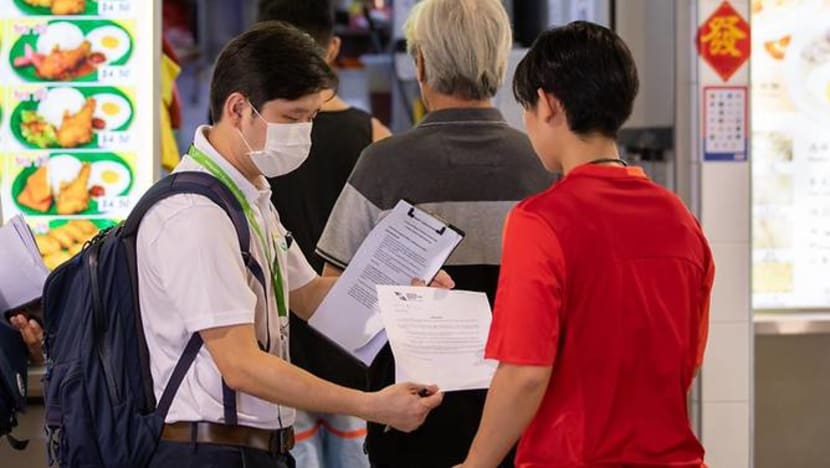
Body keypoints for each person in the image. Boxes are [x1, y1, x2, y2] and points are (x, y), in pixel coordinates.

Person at [137, 22, 447, 468]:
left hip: (253, 447)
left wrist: (403, 293)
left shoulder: (252, 197)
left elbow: (309, 297)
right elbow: (240, 364)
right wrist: (369, 405)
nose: (304, 133)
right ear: (239, 108)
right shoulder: (196, 215)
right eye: (292, 118)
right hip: (207, 451)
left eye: (312, 118)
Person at [456, 22, 714, 468]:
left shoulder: (540, 221)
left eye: (527, 108)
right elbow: (686, 362)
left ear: (549, 104)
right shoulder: (681, 220)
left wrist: (475, 464)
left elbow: (524, 373)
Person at [316, 1, 552, 466]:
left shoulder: (382, 165)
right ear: (502, 61)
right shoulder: (544, 169)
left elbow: (334, 303)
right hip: (526, 430)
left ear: (420, 63)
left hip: (411, 426)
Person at [256, 1, 390, 465]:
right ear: (332, 48)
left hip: (273, 351)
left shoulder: (253, 140)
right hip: (350, 347)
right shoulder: (372, 135)